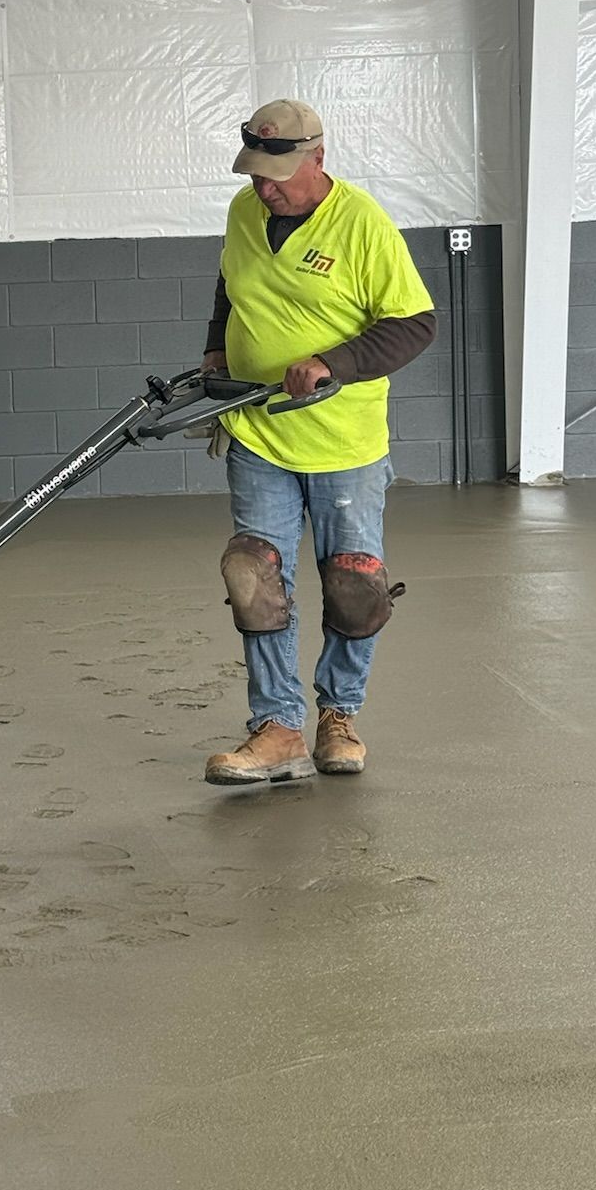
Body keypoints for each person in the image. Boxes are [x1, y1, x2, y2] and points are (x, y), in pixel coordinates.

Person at [202, 99, 436, 786]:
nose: (265, 187)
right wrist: (216, 349)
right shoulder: (246, 213)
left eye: (278, 174)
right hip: (258, 427)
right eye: (256, 173)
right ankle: (277, 729)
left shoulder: (361, 223)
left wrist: (335, 363)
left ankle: (339, 714)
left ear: (319, 158)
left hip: (343, 440)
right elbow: (229, 282)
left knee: (353, 583)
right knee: (253, 575)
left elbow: (413, 324)